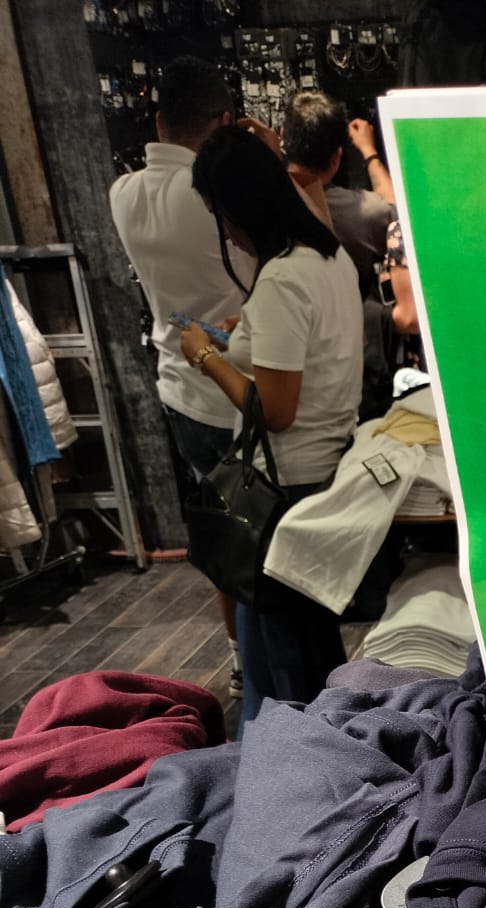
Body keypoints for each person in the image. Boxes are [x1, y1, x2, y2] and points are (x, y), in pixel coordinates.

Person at [178, 124, 363, 726]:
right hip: (322, 470)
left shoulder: (282, 278)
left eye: (219, 215)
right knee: (294, 651)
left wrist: (205, 356)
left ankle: (298, 764)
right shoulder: (328, 257)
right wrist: (250, 333)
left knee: (288, 667)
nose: (225, 231)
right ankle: (287, 758)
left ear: (238, 209)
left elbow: (276, 413)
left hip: (283, 490)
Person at [109, 55, 253, 695]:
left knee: (223, 537)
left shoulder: (123, 194)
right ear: (222, 121)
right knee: (270, 539)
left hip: (179, 385)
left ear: (159, 120)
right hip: (241, 383)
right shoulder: (214, 195)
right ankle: (278, 663)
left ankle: (240, 655)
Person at [280, 91, 394, 298]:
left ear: (282, 138)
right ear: (336, 157)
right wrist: (369, 151)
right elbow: (395, 215)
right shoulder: (366, 213)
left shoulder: (263, 204)